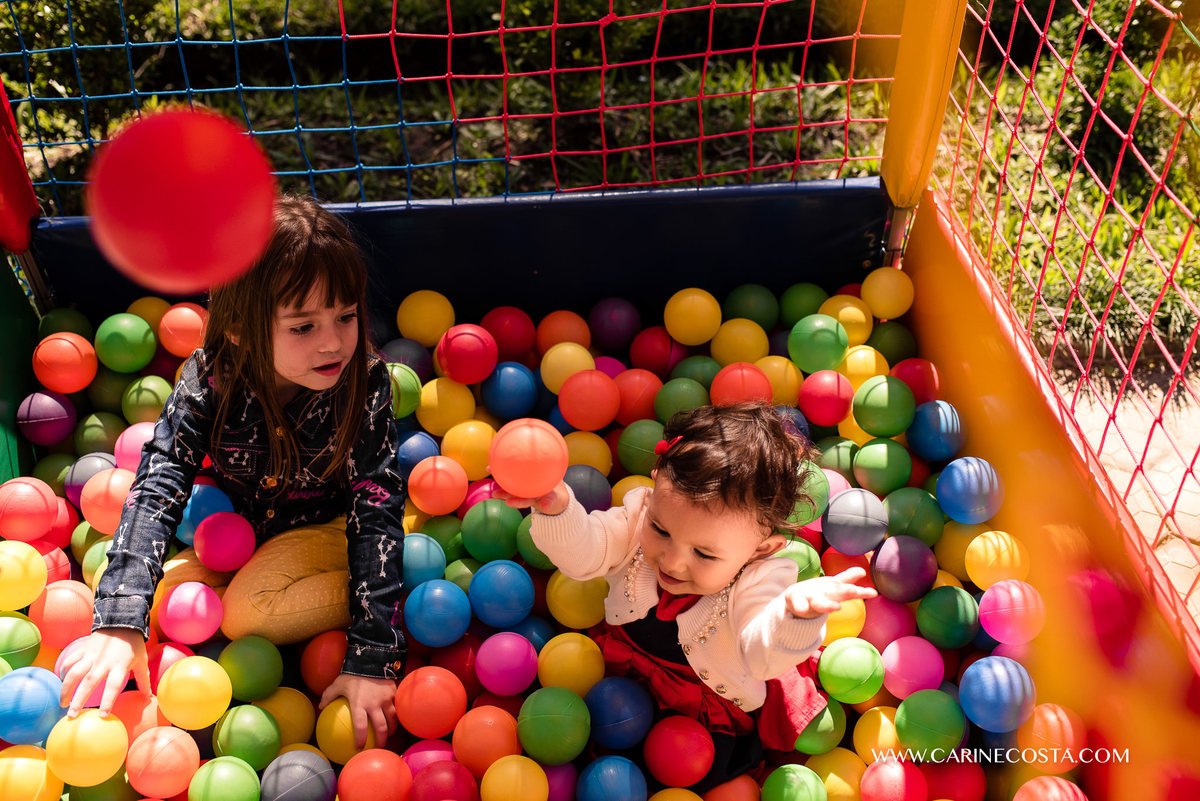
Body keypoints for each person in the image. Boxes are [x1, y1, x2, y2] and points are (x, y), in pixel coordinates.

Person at [59, 195, 407, 748]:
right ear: (241, 328)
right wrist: (119, 620)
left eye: (345, 316)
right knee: (163, 605)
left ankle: (389, 597)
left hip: (325, 529)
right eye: (303, 327)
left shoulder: (364, 383)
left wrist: (373, 653)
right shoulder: (210, 378)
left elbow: (376, 504)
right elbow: (162, 475)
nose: (334, 341)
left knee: (246, 614)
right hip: (239, 531)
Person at [499, 402, 876, 792]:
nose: (674, 562)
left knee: (707, 781)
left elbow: (758, 649)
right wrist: (558, 511)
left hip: (707, 708)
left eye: (704, 554)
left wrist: (792, 615)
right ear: (655, 481)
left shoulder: (762, 579)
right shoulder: (636, 519)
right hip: (625, 681)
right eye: (661, 530)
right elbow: (586, 554)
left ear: (760, 550)